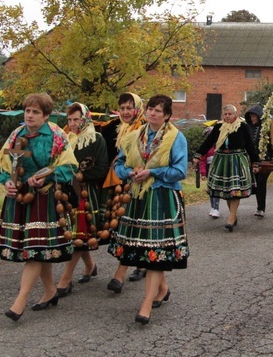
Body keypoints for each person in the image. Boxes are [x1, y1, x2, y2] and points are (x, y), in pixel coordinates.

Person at [0, 93, 78, 321]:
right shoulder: (15, 135)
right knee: (38, 250)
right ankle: (51, 291)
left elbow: (70, 167)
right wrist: (7, 182)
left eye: (35, 112)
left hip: (44, 198)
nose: (29, 116)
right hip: (20, 199)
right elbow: (4, 166)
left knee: (34, 251)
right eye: (27, 111)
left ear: (47, 115)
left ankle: (19, 301)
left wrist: (46, 177)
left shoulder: (56, 136)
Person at [108, 94, 189, 324]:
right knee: (145, 249)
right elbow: (120, 164)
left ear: (167, 115)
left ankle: (146, 305)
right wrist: (130, 173)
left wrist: (152, 172)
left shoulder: (175, 138)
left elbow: (180, 170)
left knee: (155, 251)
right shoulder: (134, 136)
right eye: (150, 109)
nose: (152, 113)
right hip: (138, 198)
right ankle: (162, 289)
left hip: (162, 198)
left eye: (158, 111)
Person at [56, 102, 108, 297]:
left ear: (85, 119)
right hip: (68, 191)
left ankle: (65, 279)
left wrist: (81, 176)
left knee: (78, 233)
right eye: (69, 120)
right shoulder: (66, 139)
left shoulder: (96, 139)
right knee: (77, 231)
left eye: (76, 119)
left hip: (86, 191)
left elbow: (101, 167)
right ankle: (90, 266)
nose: (72, 123)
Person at [100, 93, 148, 293]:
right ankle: (143, 263)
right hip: (118, 180)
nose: (126, 112)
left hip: (140, 183)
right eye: (123, 108)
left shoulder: (145, 128)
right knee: (128, 226)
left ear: (138, 109)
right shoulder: (114, 128)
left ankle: (120, 274)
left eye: (130, 108)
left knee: (133, 224)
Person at [193, 104, 259, 231]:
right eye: (225, 114)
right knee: (228, 192)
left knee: (235, 190)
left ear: (235, 115)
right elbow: (208, 142)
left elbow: (250, 145)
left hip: (237, 160)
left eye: (230, 114)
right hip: (221, 160)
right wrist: (198, 155)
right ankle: (233, 216)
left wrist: (255, 162)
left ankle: (231, 217)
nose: (227, 116)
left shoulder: (242, 126)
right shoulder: (218, 127)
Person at [245, 104, 270, 218]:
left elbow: (269, 145)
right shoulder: (248, 128)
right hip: (251, 159)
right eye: (250, 116)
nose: (252, 118)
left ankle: (261, 208)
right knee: (253, 183)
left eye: (254, 116)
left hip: (264, 160)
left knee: (261, 181)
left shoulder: (266, 129)